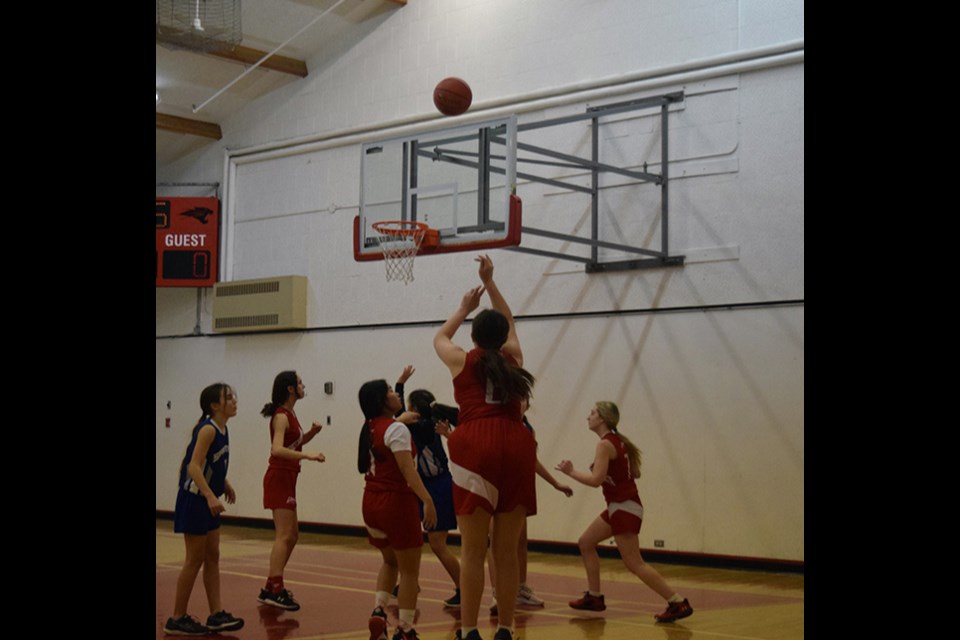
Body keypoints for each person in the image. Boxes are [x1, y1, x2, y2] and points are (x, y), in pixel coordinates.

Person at [434, 254, 537, 640]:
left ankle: (470, 630)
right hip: (516, 442)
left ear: (475, 337)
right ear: (502, 335)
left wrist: (464, 306)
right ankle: (507, 628)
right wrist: (491, 284)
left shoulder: (461, 359)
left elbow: (439, 337)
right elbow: (508, 320)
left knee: (474, 550)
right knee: (506, 551)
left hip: (475, 442)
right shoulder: (515, 359)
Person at [555, 401, 694, 623]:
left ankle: (677, 601)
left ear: (602, 418)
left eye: (591, 413)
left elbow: (594, 481)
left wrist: (570, 471)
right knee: (586, 542)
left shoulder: (604, 445)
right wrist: (611, 472)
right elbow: (634, 473)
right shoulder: (619, 442)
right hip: (621, 506)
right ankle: (595, 597)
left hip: (623, 506)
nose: (587, 417)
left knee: (634, 563)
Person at [358, 379, 438, 640]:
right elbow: (407, 470)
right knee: (410, 572)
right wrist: (427, 499)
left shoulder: (369, 427)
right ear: (382, 401)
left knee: (390, 561)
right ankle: (405, 629)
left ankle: (378, 612)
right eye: (391, 391)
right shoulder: (397, 430)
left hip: (370, 501)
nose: (396, 394)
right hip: (396, 503)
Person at [164, 383, 245, 636]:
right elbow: (194, 467)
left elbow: (213, 462)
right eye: (228, 398)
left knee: (213, 556)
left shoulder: (223, 428)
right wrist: (210, 495)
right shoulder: (208, 430)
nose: (234, 401)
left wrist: (225, 484)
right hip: (195, 500)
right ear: (214, 405)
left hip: (207, 499)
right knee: (194, 559)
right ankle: (176, 618)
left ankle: (216, 614)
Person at [486, 399, 573, 616]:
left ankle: (520, 588)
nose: (521, 403)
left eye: (524, 399)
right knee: (495, 542)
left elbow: (531, 460)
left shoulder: (526, 428)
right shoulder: (496, 423)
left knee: (520, 541)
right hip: (495, 486)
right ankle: (497, 592)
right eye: (518, 398)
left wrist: (555, 483)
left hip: (519, 487)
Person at [393, 366, 462, 608]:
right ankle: (410, 581)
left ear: (415, 411)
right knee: (411, 539)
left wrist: (400, 385)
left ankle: (464, 587)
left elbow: (399, 414)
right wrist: (400, 384)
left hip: (439, 486)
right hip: (425, 486)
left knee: (437, 543)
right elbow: (400, 412)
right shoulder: (421, 424)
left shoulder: (423, 427)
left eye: (410, 408)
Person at [258, 371, 327, 611]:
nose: (303, 385)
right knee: (284, 535)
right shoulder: (280, 417)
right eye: (299, 382)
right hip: (278, 477)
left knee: (293, 535)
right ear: (290, 389)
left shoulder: (291, 414)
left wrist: (310, 435)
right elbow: (277, 449)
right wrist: (307, 455)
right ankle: (275, 588)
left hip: (288, 477)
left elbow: (291, 444)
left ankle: (270, 585)